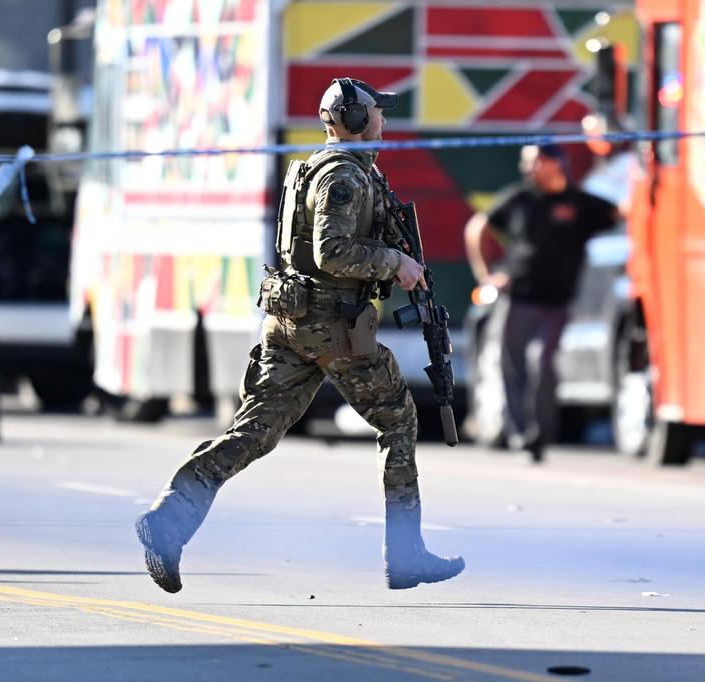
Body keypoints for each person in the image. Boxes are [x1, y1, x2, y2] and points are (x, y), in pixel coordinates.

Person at [135, 77, 464, 593]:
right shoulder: (345, 178)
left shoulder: (321, 167)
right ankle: (405, 555)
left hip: (294, 323)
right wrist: (394, 261)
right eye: (377, 113)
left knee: (254, 434)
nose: (384, 122)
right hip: (330, 326)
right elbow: (333, 252)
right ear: (356, 122)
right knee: (398, 420)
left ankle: (168, 520)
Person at [464, 144, 617, 462]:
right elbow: (477, 227)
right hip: (517, 299)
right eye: (526, 163)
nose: (528, 169)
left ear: (555, 164)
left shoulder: (580, 203)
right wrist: (485, 275)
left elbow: (621, 212)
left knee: (543, 365)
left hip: (556, 304)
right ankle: (520, 434)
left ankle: (540, 432)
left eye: (534, 163)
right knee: (512, 368)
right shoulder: (520, 199)